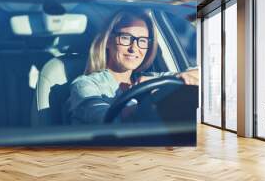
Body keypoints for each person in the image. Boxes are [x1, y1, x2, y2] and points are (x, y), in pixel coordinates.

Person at [65, 9, 198, 125]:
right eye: (125, 38)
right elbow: (107, 120)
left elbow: (204, 75)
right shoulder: (85, 85)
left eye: (142, 41)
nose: (134, 48)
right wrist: (147, 100)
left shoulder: (150, 79)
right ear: (107, 41)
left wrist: (184, 77)